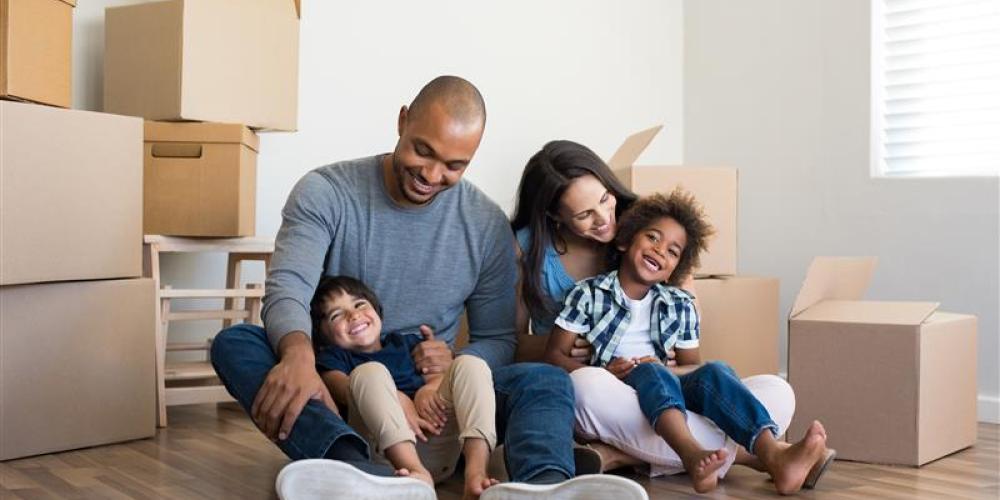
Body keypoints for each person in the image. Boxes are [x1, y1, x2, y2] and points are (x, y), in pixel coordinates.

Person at [210, 76, 647, 500]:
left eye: (454, 166)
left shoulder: (485, 224)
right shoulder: (326, 192)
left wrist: (449, 371)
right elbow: (288, 285)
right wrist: (298, 355)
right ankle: (351, 465)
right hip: (340, 386)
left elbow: (496, 338)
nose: (432, 174)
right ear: (403, 122)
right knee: (237, 344)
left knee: (545, 379)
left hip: (438, 406)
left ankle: (544, 487)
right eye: (423, 151)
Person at [510, 140, 801, 479]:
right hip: (601, 388)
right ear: (554, 215)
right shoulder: (534, 253)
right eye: (584, 214)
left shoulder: (652, 227)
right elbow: (514, 342)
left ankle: (619, 455)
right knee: (587, 386)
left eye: (605, 199)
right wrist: (581, 351)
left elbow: (688, 340)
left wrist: (674, 359)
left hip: (664, 385)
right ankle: (745, 455)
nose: (606, 219)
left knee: (778, 392)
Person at [545, 191, 835, 494]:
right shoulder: (588, 294)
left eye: (673, 251)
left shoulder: (679, 304)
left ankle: (769, 453)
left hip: (670, 396)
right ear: (625, 240)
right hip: (618, 394)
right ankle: (703, 453)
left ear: (676, 268)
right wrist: (606, 372)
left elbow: (691, 369)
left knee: (758, 384)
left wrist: (669, 370)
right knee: (590, 382)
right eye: (653, 238)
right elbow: (554, 356)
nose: (660, 251)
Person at [311, 275, 498, 498]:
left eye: (359, 304)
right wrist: (397, 398)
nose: (353, 315)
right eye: (336, 315)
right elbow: (341, 388)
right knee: (370, 372)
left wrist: (428, 389)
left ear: (376, 309)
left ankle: (476, 475)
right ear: (323, 335)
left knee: (471, 364)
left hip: (437, 439)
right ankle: (416, 474)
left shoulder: (405, 342)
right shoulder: (334, 358)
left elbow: (438, 374)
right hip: (387, 456)